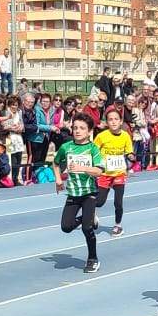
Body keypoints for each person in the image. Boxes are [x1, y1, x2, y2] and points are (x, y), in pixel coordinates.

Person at [52, 110, 104, 273]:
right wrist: (58, 179)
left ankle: (93, 258)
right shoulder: (66, 147)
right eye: (75, 128)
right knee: (66, 227)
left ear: (89, 132)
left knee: (86, 229)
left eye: (82, 128)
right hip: (73, 193)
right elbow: (55, 163)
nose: (78, 131)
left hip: (89, 192)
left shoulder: (93, 149)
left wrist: (83, 168)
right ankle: (87, 218)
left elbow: (99, 171)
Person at [93, 103, 133, 234]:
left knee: (118, 202)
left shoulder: (125, 136)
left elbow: (128, 152)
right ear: (107, 122)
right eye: (110, 119)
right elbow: (94, 151)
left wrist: (131, 157)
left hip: (119, 173)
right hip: (104, 173)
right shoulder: (102, 136)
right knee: (99, 202)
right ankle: (92, 214)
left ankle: (118, 225)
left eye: (116, 119)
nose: (114, 122)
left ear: (121, 121)